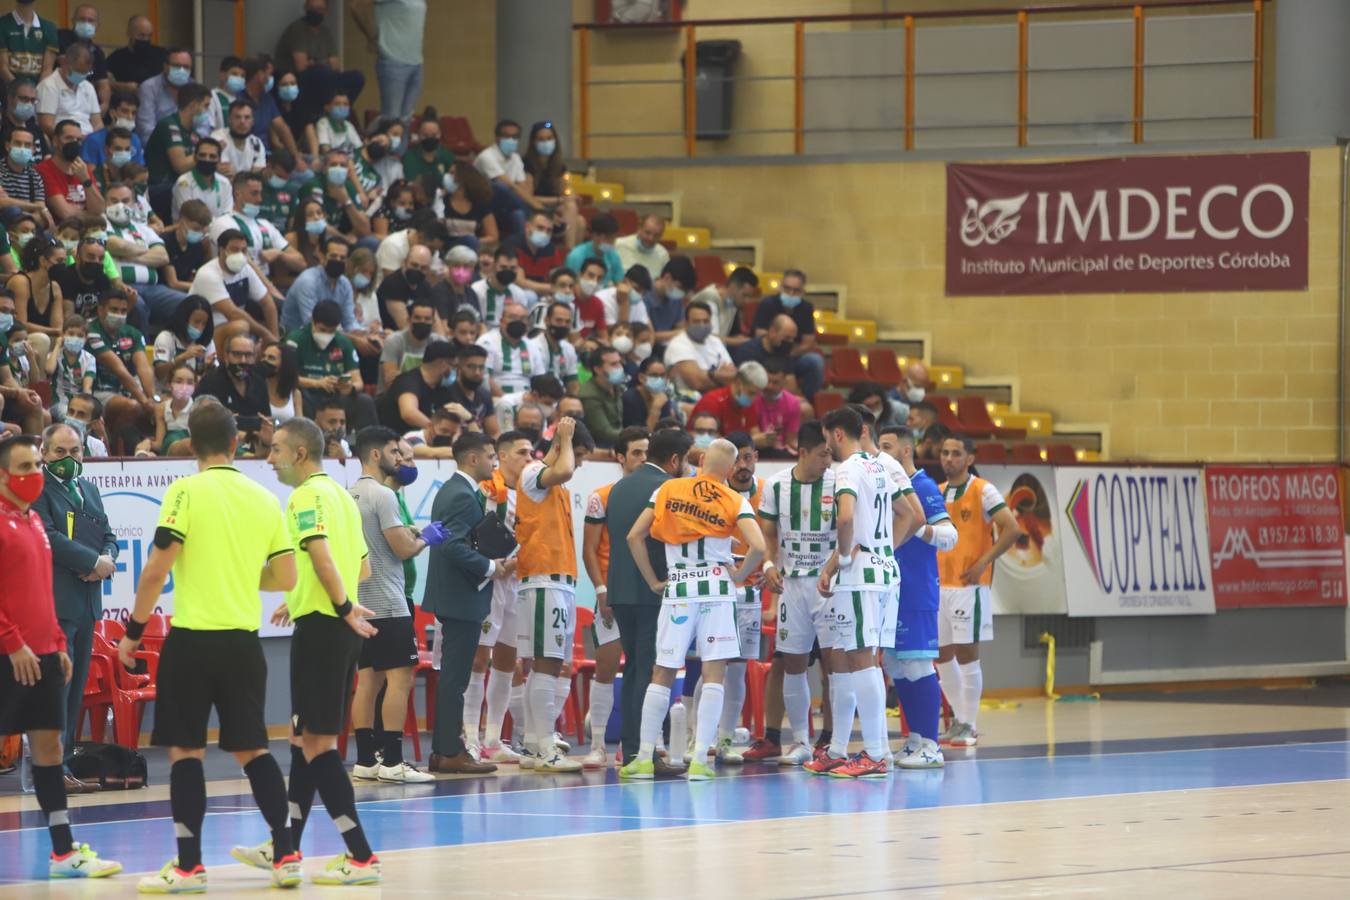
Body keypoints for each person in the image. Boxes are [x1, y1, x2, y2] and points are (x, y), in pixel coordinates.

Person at [115, 400, 301, 891]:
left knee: (185, 753)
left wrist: (132, 634)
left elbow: (156, 570)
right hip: (244, 644)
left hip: (193, 642)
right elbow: (286, 575)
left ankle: (190, 866)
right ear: (237, 444)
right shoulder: (263, 498)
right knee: (254, 749)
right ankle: (286, 854)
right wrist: (241, 572)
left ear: (191, 446)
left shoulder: (184, 490)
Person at [240, 416, 383, 886]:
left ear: (299, 453)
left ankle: (360, 856)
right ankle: (286, 847)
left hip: (325, 629)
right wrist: (300, 598)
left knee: (318, 745)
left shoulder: (305, 497)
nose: (269, 458)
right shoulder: (342, 495)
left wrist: (336, 606)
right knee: (304, 740)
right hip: (333, 627)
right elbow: (360, 569)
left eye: (275, 449)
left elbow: (321, 555)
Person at [0, 433, 122, 877]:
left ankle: (63, 851)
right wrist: (14, 643)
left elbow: (39, 591)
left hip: (44, 651)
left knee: (49, 750)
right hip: (11, 654)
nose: (35, 474)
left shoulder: (32, 521)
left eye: (37, 465)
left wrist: (53, 640)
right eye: (26, 467)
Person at [619, 437, 766, 782]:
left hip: (679, 587)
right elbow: (758, 545)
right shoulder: (733, 498)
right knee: (714, 673)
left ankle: (643, 758)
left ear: (700, 460)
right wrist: (740, 575)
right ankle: (700, 759)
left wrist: (655, 580)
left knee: (663, 671)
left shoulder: (669, 490)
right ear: (729, 469)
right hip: (716, 588)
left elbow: (633, 536)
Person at [803, 407, 916, 779]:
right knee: (855, 657)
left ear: (837, 434)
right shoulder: (879, 465)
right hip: (885, 571)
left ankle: (876, 753)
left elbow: (846, 517)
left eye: (826, 438)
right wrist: (877, 552)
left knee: (860, 657)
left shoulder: (848, 469)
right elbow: (910, 515)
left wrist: (847, 556)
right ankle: (840, 749)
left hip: (862, 575)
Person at [347, 426, 441, 783]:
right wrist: (425, 539)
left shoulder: (349, 493)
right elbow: (401, 550)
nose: (399, 459)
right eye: (393, 452)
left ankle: (366, 760)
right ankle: (393, 763)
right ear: (375, 455)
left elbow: (378, 541)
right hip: (389, 601)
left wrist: (409, 535)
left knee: (367, 682)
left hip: (362, 601)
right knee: (400, 681)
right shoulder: (383, 495)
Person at [32, 422, 116, 790]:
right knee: (56, 689)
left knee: (77, 687)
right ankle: (47, 769)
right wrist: (89, 562)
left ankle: (63, 765)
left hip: (88, 604)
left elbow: (108, 535)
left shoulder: (90, 489)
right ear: (45, 454)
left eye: (75, 451)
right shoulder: (38, 491)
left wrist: (106, 560)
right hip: (56, 603)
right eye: (60, 452)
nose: (69, 459)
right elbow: (46, 537)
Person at [750, 420, 838, 765]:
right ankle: (800, 740)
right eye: (822, 454)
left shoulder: (839, 482)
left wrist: (831, 570)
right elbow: (768, 536)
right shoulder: (775, 486)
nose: (828, 461)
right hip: (793, 586)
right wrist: (770, 566)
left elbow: (848, 532)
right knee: (792, 663)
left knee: (836, 665)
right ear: (802, 453)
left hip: (829, 584)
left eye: (830, 453)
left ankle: (832, 740)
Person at [604, 426, 691, 771]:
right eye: (685, 460)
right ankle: (644, 754)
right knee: (649, 671)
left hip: (621, 589)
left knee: (635, 669)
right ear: (674, 460)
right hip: (653, 587)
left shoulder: (619, 486)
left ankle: (632, 749)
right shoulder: (667, 488)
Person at [514, 417, 594, 773]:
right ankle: (546, 746)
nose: (578, 465)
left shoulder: (553, 485)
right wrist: (562, 438)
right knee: (545, 663)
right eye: (577, 456)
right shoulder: (535, 473)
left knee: (547, 664)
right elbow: (560, 469)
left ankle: (534, 741)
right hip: (544, 580)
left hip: (557, 582)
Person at [422, 430, 503, 774]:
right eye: (489, 456)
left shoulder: (458, 491)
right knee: (456, 679)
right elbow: (453, 546)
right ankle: (448, 751)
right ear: (473, 458)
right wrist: (491, 566)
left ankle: (446, 750)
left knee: (455, 677)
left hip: (458, 596)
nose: (493, 462)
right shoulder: (460, 495)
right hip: (459, 597)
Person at [934, 435, 1021, 749]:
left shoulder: (983, 490)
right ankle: (959, 719)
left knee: (967, 656)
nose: (949, 458)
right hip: (939, 586)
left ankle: (969, 724)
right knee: (942, 656)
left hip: (969, 586)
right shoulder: (938, 492)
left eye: (956, 453)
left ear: (969, 458)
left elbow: (1012, 528)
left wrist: (982, 562)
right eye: (944, 452)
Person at [877, 425, 955, 769]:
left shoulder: (922, 487)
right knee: (896, 665)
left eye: (887, 447)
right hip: (891, 590)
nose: (881, 453)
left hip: (917, 589)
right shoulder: (886, 488)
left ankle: (931, 744)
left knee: (918, 663)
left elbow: (949, 536)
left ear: (905, 451)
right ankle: (914, 739)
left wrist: (917, 527)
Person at [579, 426, 649, 767]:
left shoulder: (660, 494)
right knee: (606, 667)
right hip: (613, 593)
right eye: (635, 452)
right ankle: (597, 745)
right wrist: (601, 589)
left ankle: (641, 743)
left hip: (647, 593)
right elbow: (589, 550)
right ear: (619, 457)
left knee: (649, 668)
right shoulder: (601, 496)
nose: (642, 459)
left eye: (646, 452)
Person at [463, 429, 529, 765]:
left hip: (517, 584)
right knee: (479, 659)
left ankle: (493, 737)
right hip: (490, 581)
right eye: (522, 453)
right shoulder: (489, 490)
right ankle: (470, 737)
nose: (529, 460)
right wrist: (494, 564)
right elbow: (474, 536)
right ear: (501, 456)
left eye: (532, 454)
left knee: (507, 660)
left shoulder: (533, 493)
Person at [104, 181, 187, 328]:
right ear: (105, 203)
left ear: (134, 204)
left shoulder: (144, 229)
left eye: (125, 201)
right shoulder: (101, 225)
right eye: (114, 201)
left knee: (187, 303)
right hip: (120, 287)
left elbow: (162, 257)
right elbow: (115, 245)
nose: (120, 206)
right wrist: (145, 249)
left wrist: (126, 255)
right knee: (138, 306)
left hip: (152, 288)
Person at [274, 0, 365, 126]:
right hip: (298, 80)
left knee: (356, 77)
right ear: (305, 8)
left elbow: (336, 66)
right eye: (312, 8)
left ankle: (337, 110)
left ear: (326, 11)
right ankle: (323, 115)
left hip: (325, 77)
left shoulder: (326, 33)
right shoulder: (297, 29)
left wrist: (314, 62)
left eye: (320, 9)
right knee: (323, 72)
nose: (316, 12)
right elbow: (302, 66)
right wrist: (323, 63)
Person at [86, 289, 154, 454]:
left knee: (163, 407)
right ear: (100, 310)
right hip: (100, 391)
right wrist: (145, 402)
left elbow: (143, 367)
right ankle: (118, 453)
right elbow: (119, 370)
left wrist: (152, 399)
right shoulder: (91, 331)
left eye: (123, 311)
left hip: (129, 390)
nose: (119, 314)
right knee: (132, 406)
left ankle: (147, 450)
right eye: (114, 310)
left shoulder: (133, 333)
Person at [190, 228, 277, 348]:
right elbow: (232, 313)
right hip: (204, 331)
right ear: (221, 250)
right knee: (240, 326)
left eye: (244, 250)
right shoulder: (208, 274)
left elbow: (268, 303)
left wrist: (275, 341)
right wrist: (266, 335)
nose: (240, 255)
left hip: (230, 327)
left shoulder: (246, 269)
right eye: (234, 250)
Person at [750, 268, 824, 401]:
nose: (791, 293)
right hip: (767, 355)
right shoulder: (767, 304)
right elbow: (760, 334)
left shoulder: (806, 308)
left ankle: (806, 402)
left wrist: (787, 352)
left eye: (796, 291)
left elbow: (809, 343)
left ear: (803, 292)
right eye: (787, 289)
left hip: (792, 355)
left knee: (815, 361)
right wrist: (778, 348)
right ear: (780, 287)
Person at [350, 0, 426, 125]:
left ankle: (400, 144)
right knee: (391, 120)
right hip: (393, 60)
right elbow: (356, 5)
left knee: (406, 120)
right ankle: (377, 141)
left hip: (416, 62)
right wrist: (370, 36)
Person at [376, 338, 453, 431]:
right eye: (454, 366)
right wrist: (437, 431)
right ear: (444, 365)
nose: (454, 371)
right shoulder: (409, 381)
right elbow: (409, 414)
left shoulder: (442, 388)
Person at [280, 236, 353, 333]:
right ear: (322, 257)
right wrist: (353, 339)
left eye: (342, 258)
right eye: (333, 256)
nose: (338, 261)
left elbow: (349, 321)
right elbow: (312, 324)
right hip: (298, 337)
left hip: (330, 335)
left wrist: (361, 334)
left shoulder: (345, 284)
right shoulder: (308, 282)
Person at [664, 300, 736, 398]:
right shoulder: (678, 345)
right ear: (686, 323)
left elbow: (732, 376)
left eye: (706, 321)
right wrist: (719, 377)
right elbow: (697, 383)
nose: (702, 325)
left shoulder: (715, 341)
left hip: (718, 398)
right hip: (690, 401)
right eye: (696, 321)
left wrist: (709, 376)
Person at [144, 80, 208, 188]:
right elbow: (181, 166)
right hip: (162, 188)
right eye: (206, 106)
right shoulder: (169, 125)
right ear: (192, 106)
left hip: (183, 187)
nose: (207, 111)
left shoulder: (194, 133)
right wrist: (206, 152)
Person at [37, 119, 103, 220]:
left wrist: (86, 180)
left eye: (78, 140)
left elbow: (99, 209)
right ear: (55, 141)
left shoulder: (83, 169)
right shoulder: (44, 170)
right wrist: (93, 217)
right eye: (69, 138)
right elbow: (65, 213)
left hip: (89, 229)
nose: (75, 143)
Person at [8, 234, 64, 354]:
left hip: (43, 341)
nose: (63, 266)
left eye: (64, 261)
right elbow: (20, 324)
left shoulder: (55, 288)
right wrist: (53, 332)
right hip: (15, 338)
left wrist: (57, 334)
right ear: (43, 260)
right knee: (42, 340)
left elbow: (58, 328)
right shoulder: (20, 282)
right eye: (59, 261)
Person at [196, 331, 271, 418]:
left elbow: (266, 419)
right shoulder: (210, 382)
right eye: (237, 354)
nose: (243, 360)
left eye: (248, 355)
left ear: (254, 357)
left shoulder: (259, 383)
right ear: (226, 356)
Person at [36, 41, 100, 138]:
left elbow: (98, 123)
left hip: (89, 141)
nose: (81, 76)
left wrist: (93, 140)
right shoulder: (48, 86)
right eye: (78, 71)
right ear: (64, 62)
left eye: (85, 73)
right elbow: (46, 124)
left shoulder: (88, 87)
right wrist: (75, 138)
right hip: (65, 141)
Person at [688, 361, 767, 439]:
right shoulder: (712, 402)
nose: (754, 398)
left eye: (757, 394)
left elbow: (754, 431)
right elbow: (707, 439)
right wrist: (751, 441)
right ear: (738, 383)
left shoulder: (748, 403)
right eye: (751, 393)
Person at [379, 294, 445, 386]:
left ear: (433, 322)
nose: (422, 322)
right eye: (417, 318)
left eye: (427, 319)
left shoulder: (439, 342)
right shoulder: (394, 341)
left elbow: (447, 377)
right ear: (409, 320)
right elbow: (390, 380)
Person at [136, 47, 197, 144]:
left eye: (186, 67)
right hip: (158, 148)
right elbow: (146, 129)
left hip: (189, 147)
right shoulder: (149, 87)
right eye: (176, 66)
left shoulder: (195, 88)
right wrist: (172, 147)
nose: (181, 70)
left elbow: (203, 127)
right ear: (165, 66)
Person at [470, 244, 531, 329]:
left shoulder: (519, 294)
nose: (508, 271)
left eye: (512, 268)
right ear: (494, 265)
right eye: (503, 267)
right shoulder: (476, 289)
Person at [693, 265, 759, 343]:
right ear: (733, 286)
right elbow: (710, 338)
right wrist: (739, 341)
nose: (746, 301)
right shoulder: (709, 297)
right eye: (744, 295)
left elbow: (733, 334)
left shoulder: (732, 304)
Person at [579, 344, 628, 449]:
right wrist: (633, 436)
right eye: (614, 364)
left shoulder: (618, 387)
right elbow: (604, 432)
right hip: (599, 446)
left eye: (620, 362)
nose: (620, 367)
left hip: (619, 440)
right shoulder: (589, 394)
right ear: (597, 369)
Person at [172, 137, 233, 221]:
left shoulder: (225, 183)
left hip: (220, 231)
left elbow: (228, 215)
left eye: (212, 156)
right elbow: (192, 218)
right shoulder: (183, 182)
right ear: (195, 157)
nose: (207, 159)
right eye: (202, 155)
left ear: (219, 160)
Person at [44, 314, 94, 416]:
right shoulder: (54, 355)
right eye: (71, 334)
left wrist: (86, 407)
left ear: (86, 338)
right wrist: (57, 345)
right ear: (63, 335)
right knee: (66, 413)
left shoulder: (90, 359)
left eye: (80, 335)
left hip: (78, 403)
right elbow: (49, 370)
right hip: (57, 402)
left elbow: (87, 388)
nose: (75, 338)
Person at [0, 0, 57, 85]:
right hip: (9, 92)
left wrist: (36, 93)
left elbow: (47, 69)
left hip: (39, 92)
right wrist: (21, 91)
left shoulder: (49, 28)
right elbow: (2, 67)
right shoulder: (2, 24)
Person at [756, 358, 803, 458]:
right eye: (767, 381)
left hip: (781, 452)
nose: (770, 386)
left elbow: (791, 440)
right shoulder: (752, 399)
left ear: (784, 382)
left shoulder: (792, 403)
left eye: (775, 382)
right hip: (756, 448)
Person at [106, 16, 165, 95]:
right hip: (128, 101)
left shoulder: (161, 54)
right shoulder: (116, 57)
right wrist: (121, 86)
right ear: (129, 33)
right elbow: (102, 81)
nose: (146, 39)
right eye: (141, 35)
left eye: (149, 36)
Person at [1, 126, 49, 222]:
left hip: (29, 225)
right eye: (18, 143)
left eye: (27, 145)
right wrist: (34, 207)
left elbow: (41, 213)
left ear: (33, 150)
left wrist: (13, 203)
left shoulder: (35, 176)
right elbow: (2, 203)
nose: (22, 149)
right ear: (7, 146)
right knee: (12, 211)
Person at [1, 76, 49, 165]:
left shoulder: (35, 129)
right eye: (24, 99)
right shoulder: (2, 127)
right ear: (10, 98)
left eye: (33, 100)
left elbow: (46, 158)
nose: (29, 104)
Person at [214, 99, 268, 177]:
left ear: (252, 121)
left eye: (247, 117)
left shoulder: (257, 144)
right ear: (229, 120)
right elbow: (226, 173)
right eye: (237, 117)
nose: (242, 122)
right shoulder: (218, 138)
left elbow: (256, 175)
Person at [621, 355, 675, 429]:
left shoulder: (663, 396)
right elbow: (640, 436)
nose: (659, 379)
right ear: (641, 377)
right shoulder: (629, 398)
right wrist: (655, 408)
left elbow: (667, 429)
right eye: (654, 375)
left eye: (662, 376)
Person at [260, 339, 303, 422]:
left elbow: (300, 426)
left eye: (271, 358)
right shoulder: (254, 388)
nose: (264, 360)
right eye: (263, 356)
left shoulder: (295, 394)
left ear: (284, 364)